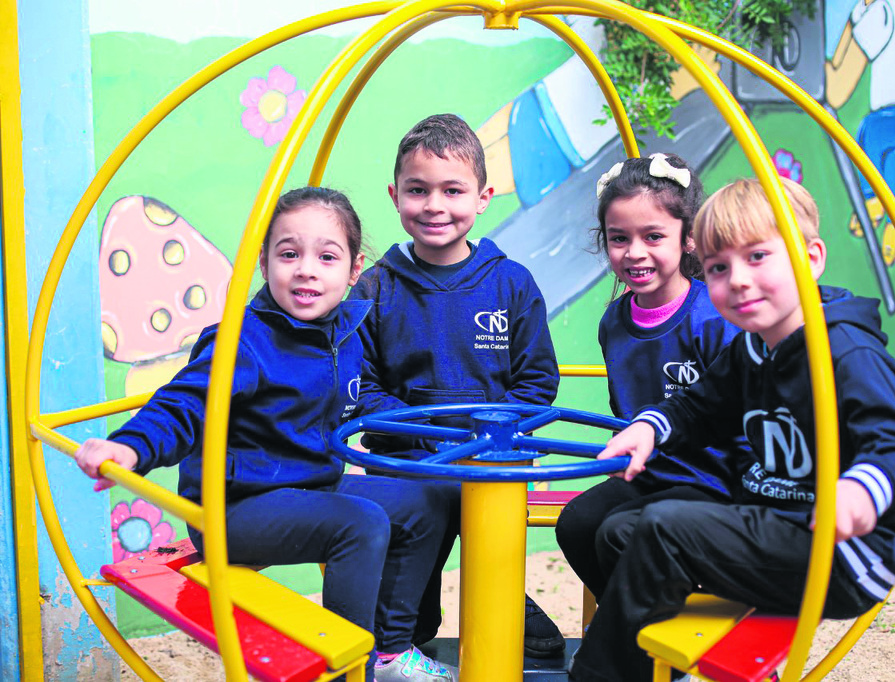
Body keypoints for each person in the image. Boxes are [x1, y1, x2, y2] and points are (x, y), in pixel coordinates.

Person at [75, 186, 457, 682]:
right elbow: (186, 401)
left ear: (353, 269)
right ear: (264, 262)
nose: (306, 269)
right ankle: (344, 671)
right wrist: (131, 445)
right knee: (359, 524)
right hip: (234, 507)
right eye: (289, 254)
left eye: (326, 256)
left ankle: (388, 652)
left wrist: (432, 432)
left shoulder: (343, 330)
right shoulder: (243, 340)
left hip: (309, 486)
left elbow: (358, 398)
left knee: (429, 501)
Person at [568, 177, 895, 682]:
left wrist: (862, 489)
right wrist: (652, 426)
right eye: (718, 268)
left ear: (812, 258)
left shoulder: (844, 353)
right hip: (774, 525)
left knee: (662, 526)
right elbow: (697, 407)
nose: (736, 279)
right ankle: (657, 666)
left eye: (758, 257)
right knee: (618, 535)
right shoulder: (753, 348)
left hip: (843, 552)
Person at [349, 113, 564, 658]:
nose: (435, 205)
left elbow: (538, 383)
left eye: (453, 190)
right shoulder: (373, 287)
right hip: (409, 468)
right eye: (418, 190)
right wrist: (425, 441)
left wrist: (482, 439)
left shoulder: (510, 283)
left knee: (513, 612)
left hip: (491, 464)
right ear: (395, 195)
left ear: (484, 196)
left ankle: (508, 605)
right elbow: (363, 386)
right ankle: (405, 636)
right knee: (409, 612)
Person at [554, 153, 742, 602]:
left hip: (714, 484)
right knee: (578, 523)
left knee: (618, 533)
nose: (634, 252)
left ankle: (648, 646)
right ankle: (638, 634)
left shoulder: (713, 317)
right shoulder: (615, 322)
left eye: (653, 236)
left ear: (689, 239)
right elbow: (628, 411)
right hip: (650, 477)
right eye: (619, 238)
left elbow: (738, 416)